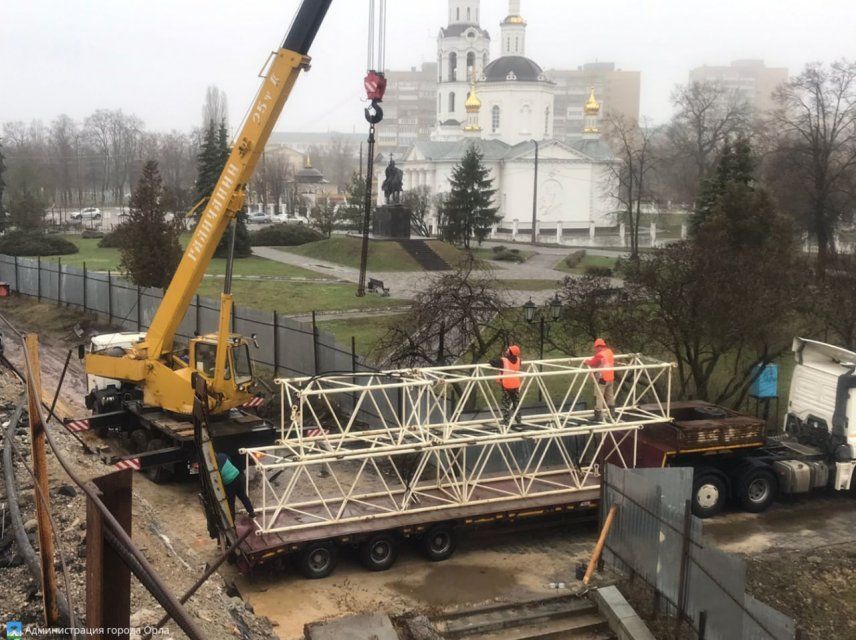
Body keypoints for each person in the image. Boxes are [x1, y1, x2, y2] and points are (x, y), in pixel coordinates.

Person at [216, 452, 256, 521]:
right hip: (238, 476)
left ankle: (232, 521)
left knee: (231, 502)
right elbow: (230, 460)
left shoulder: (214, 465)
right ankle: (252, 512)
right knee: (243, 496)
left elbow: (216, 478)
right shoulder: (222, 455)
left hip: (229, 483)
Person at [490, 345, 523, 428]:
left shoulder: (503, 360)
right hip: (515, 384)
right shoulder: (519, 360)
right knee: (516, 402)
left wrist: (497, 358)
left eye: (508, 350)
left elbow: (492, 362)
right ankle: (518, 419)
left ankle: (506, 421)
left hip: (507, 384)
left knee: (506, 403)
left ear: (511, 352)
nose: (507, 350)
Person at [585, 338, 615, 421]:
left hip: (603, 378)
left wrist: (586, 361)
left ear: (599, 346)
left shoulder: (600, 354)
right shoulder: (609, 352)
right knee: (610, 395)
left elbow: (593, 362)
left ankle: (597, 415)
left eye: (596, 348)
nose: (596, 350)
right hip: (610, 377)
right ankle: (612, 413)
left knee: (599, 396)